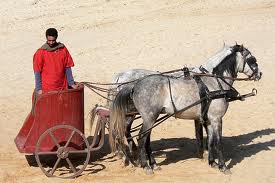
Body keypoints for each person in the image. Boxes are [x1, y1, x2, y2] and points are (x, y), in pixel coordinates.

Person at [33, 28, 78, 94]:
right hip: (47, 88)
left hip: (62, 86)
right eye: (49, 40)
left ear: (56, 38)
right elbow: (37, 71)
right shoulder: (40, 52)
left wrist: (71, 83)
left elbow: (67, 66)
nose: (51, 42)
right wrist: (39, 88)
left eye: (53, 40)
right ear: (46, 38)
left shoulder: (62, 49)